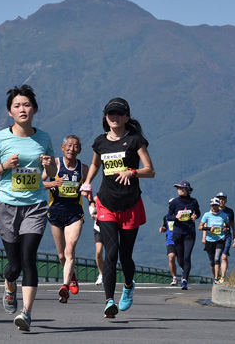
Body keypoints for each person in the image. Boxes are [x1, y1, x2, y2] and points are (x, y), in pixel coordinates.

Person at [0, 85, 56, 332]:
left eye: (27, 105)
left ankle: (26, 313)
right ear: (9, 112)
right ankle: (9, 283)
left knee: (28, 259)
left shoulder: (44, 138)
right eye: (17, 106)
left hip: (34, 205)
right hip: (6, 206)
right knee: (14, 266)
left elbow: (52, 173)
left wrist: (49, 165)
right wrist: (5, 165)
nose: (22, 109)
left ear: (34, 109)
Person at [80, 97, 155, 318]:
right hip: (106, 203)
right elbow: (95, 163)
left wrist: (132, 172)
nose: (114, 117)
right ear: (105, 117)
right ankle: (108, 301)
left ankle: (129, 285)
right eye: (110, 113)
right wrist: (87, 183)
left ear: (127, 117)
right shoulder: (100, 142)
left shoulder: (135, 140)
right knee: (110, 252)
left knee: (125, 256)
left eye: (119, 113)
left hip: (130, 204)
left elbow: (150, 170)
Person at [42, 135, 89, 303]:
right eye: (69, 146)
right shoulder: (54, 164)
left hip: (75, 214)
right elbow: (40, 184)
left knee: (70, 250)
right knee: (62, 255)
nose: (72, 149)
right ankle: (72, 275)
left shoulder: (83, 169)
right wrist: (53, 184)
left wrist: (89, 197)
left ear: (80, 150)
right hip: (55, 213)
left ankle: (64, 286)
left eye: (76, 146)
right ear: (62, 148)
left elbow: (87, 187)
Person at [165, 180, 200, 290]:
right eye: (178, 188)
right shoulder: (175, 202)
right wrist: (176, 217)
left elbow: (198, 212)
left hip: (189, 233)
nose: (179, 190)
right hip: (178, 233)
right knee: (180, 258)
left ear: (187, 190)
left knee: (186, 256)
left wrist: (195, 216)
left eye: (181, 188)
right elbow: (168, 216)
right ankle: (184, 270)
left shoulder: (193, 202)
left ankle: (184, 280)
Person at [198, 198, 229, 284]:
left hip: (220, 239)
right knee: (212, 261)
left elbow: (227, 225)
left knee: (217, 258)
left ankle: (216, 279)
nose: (214, 207)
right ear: (210, 206)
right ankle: (216, 275)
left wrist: (226, 229)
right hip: (209, 240)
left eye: (216, 205)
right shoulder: (207, 215)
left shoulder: (223, 215)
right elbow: (200, 227)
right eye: (213, 205)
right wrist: (208, 228)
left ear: (219, 205)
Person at [216, 192, 235, 281]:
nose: (221, 200)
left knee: (224, 256)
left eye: (223, 199)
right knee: (216, 257)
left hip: (227, 235)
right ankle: (217, 274)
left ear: (226, 200)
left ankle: (223, 276)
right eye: (219, 199)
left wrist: (234, 235)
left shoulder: (230, 211)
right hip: (216, 236)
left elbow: (232, 223)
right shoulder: (214, 210)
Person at [159, 210, 178, 286]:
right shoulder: (166, 217)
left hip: (180, 241)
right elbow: (165, 228)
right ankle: (174, 277)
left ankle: (184, 275)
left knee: (181, 260)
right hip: (170, 241)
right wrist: (162, 229)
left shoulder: (180, 216)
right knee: (171, 257)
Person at [90, 203, 104, 285]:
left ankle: (109, 274)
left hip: (109, 228)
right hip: (98, 229)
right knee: (98, 252)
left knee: (111, 253)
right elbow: (92, 211)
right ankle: (101, 274)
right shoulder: (96, 199)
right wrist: (93, 214)